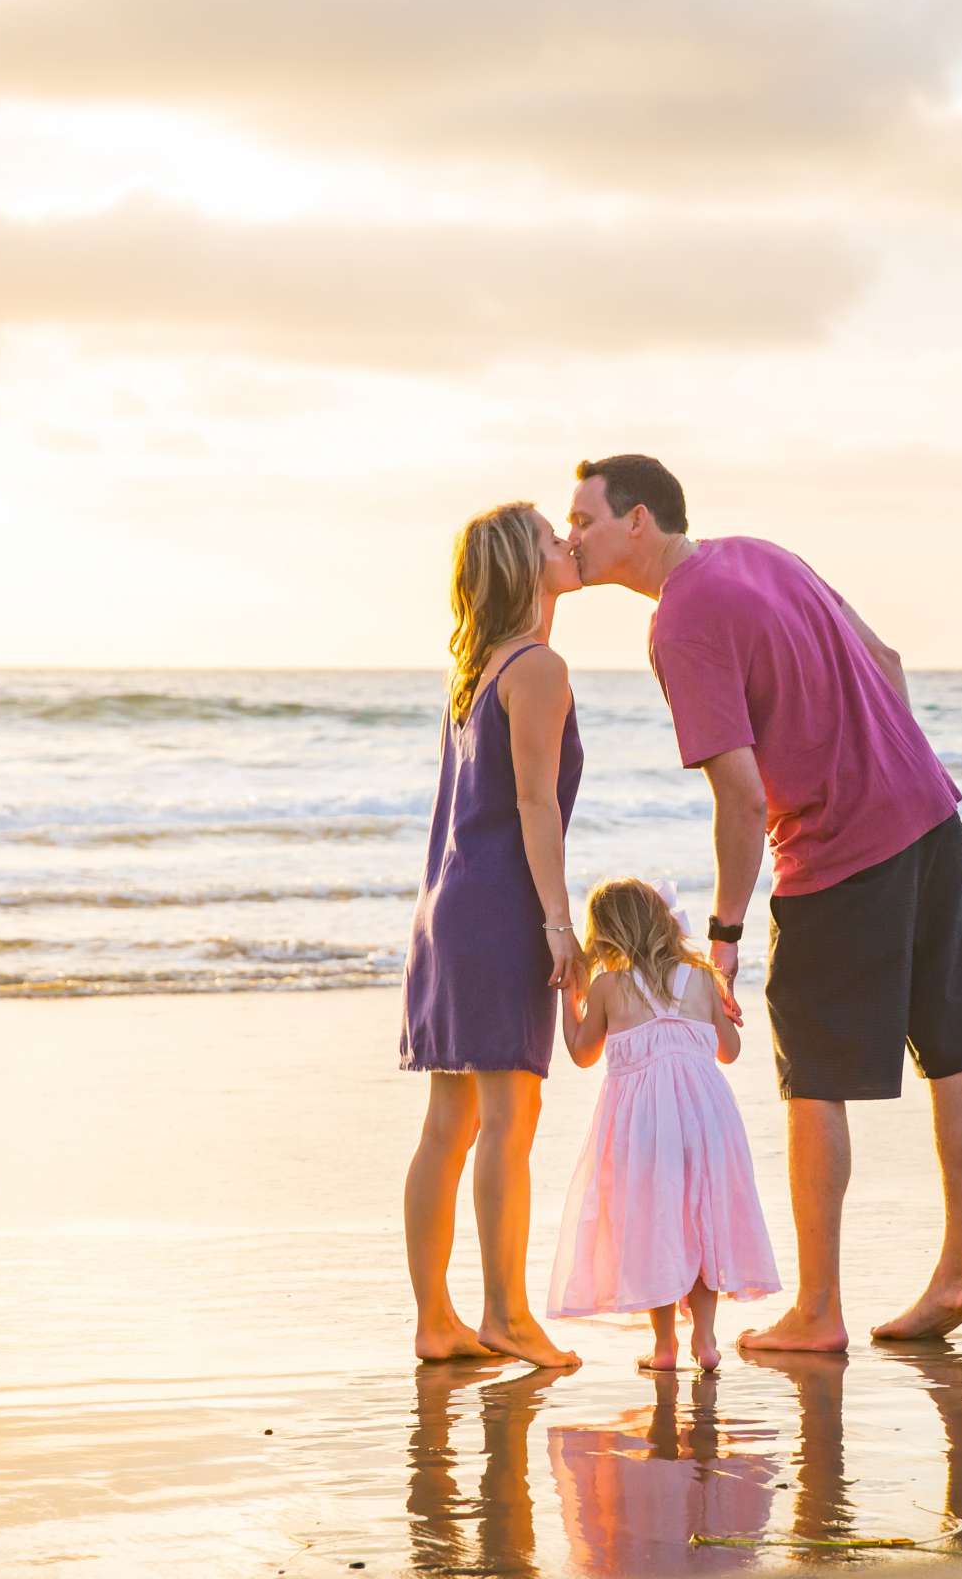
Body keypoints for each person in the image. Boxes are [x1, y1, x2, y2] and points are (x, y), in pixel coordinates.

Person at [566, 453, 962, 1352]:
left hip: (839, 854)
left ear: (639, 521)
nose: (573, 537)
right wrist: (885, 767)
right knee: (953, 1046)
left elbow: (736, 797)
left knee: (813, 1078)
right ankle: (960, 1267)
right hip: (929, 813)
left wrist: (724, 934)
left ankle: (818, 1311)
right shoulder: (765, 554)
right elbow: (885, 662)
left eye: (584, 520)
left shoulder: (681, 623)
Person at [398, 501, 585, 1369]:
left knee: (452, 1123)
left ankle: (439, 1322)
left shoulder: (474, 667)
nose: (567, 545)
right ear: (523, 565)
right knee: (510, 1116)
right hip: (499, 912)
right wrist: (560, 927)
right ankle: (505, 1315)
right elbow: (535, 807)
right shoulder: (538, 667)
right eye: (552, 538)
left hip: (448, 912)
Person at [548, 877, 781, 1371]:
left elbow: (582, 1054)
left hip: (645, 1124)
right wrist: (720, 1012)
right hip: (707, 1117)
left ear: (606, 934)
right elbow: (730, 1053)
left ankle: (664, 1348)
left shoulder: (609, 986)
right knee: (701, 1220)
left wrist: (570, 1004)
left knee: (657, 1223)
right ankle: (706, 1341)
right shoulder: (700, 977)